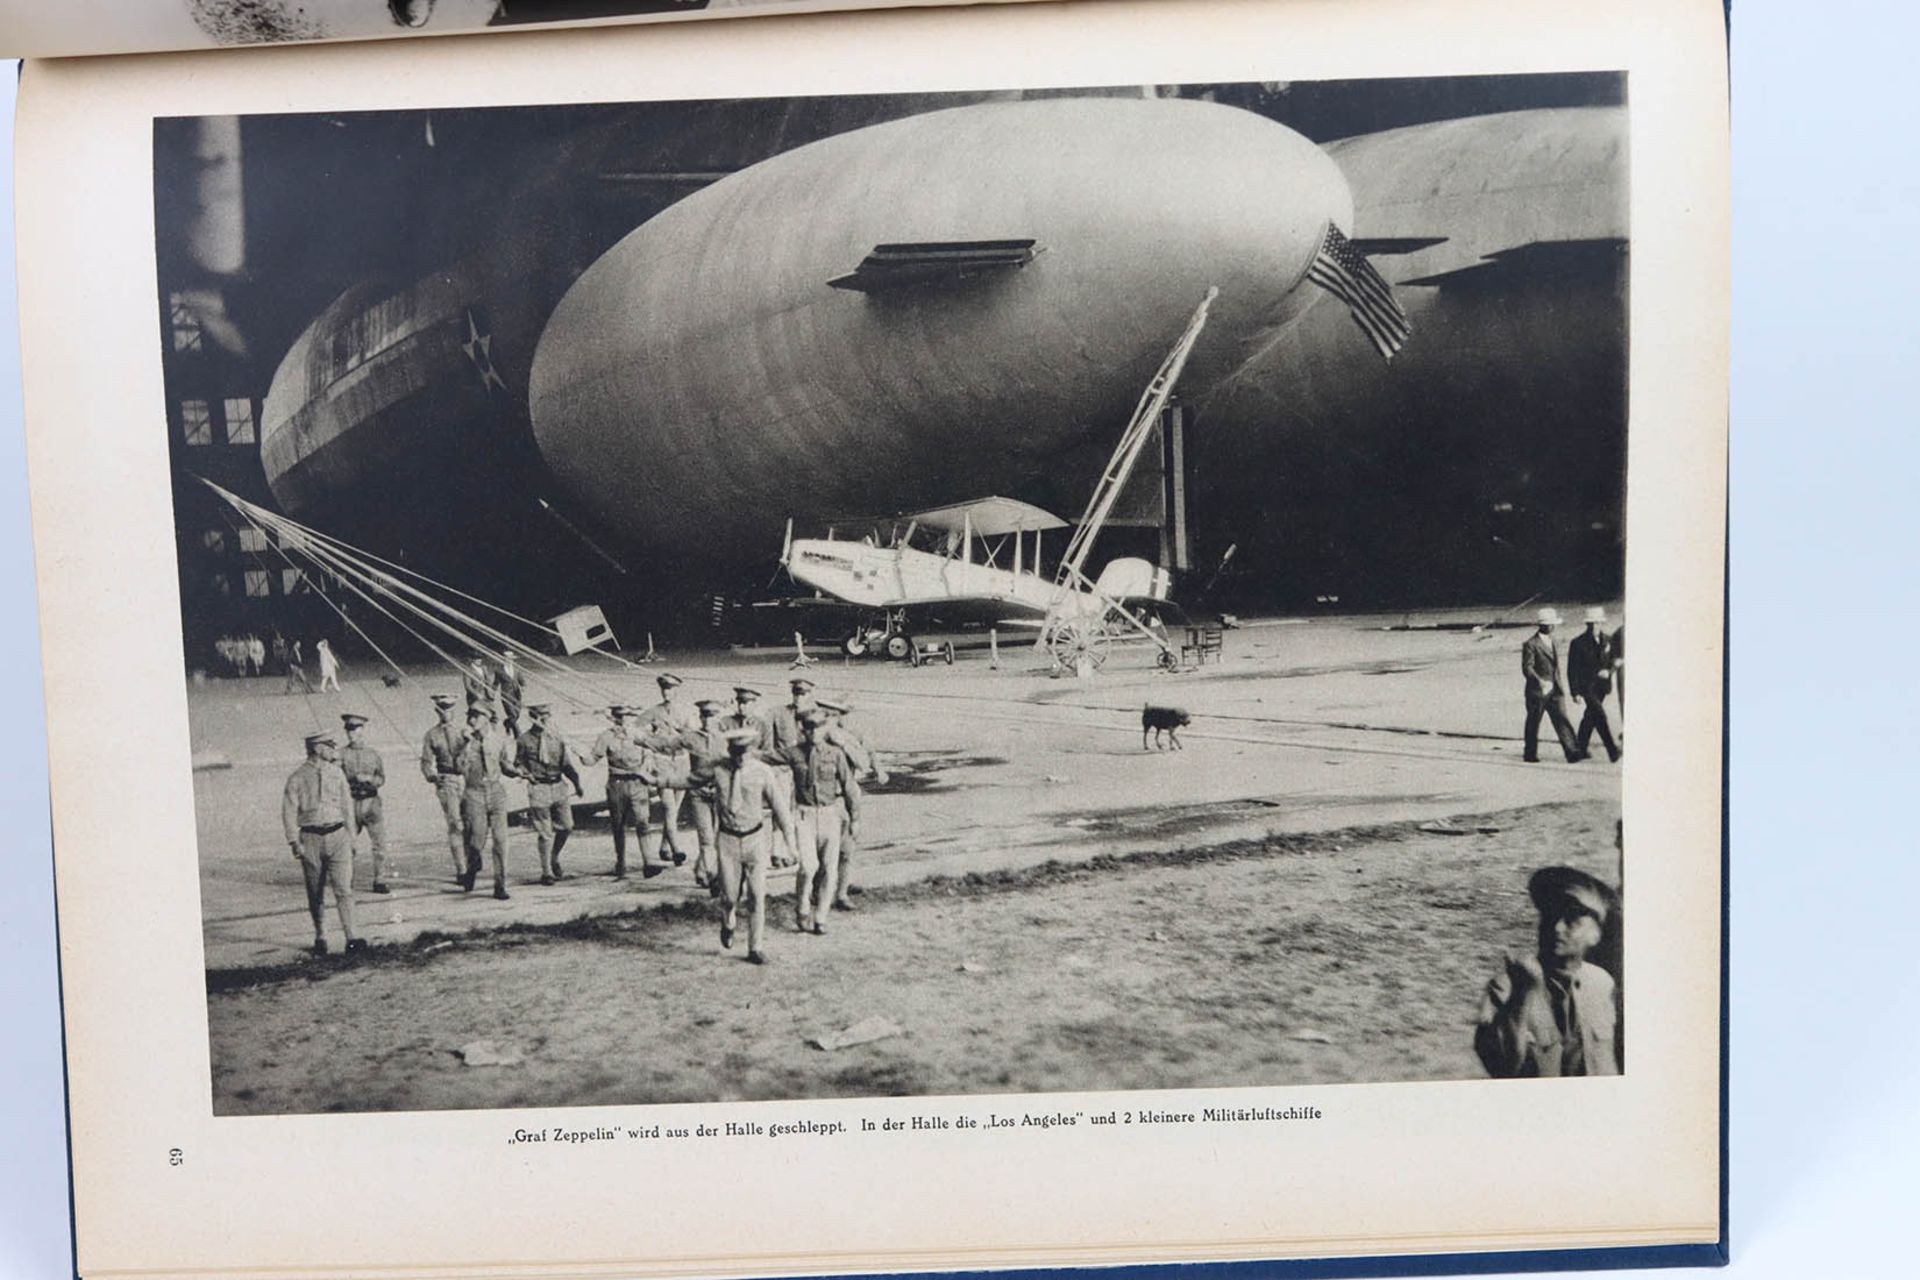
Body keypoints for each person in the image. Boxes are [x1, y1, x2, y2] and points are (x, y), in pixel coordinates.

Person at [1475, 866, 1621, 1077]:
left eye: (1572, 920)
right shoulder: (1507, 986)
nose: (1557, 928)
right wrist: (1523, 994)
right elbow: (1501, 1067)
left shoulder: (1603, 983)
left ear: (1595, 935)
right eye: (1550, 917)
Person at [712, 724, 796, 965]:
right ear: (729, 750)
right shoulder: (718, 770)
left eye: (744, 752)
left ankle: (755, 947)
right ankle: (728, 921)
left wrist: (791, 844)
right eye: (735, 752)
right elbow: (689, 780)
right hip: (727, 841)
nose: (740, 758)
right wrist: (657, 779)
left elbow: (781, 809)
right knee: (729, 897)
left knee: (757, 896)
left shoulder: (763, 772)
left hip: (755, 840)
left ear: (751, 750)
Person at [280, 731, 366, 957]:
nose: (332, 749)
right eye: (329, 745)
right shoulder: (297, 777)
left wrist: (352, 839)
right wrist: (293, 841)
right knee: (315, 892)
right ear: (317, 748)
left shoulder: (337, 773)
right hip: (310, 838)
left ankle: (352, 937)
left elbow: (347, 807)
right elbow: (288, 811)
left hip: (338, 836)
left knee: (344, 889)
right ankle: (321, 936)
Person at [781, 710, 860, 935]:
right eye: (809, 728)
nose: (814, 732)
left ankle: (821, 918)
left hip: (828, 815)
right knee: (807, 867)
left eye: (818, 727)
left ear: (824, 728)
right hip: (804, 816)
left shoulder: (835, 754)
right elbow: (764, 757)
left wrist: (855, 818)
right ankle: (803, 908)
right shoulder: (794, 753)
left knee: (830, 869)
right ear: (803, 730)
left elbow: (849, 788)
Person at [580, 705, 675, 879]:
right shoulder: (606, 737)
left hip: (638, 783)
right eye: (619, 718)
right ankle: (621, 863)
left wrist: (648, 763)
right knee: (618, 825)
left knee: (643, 822)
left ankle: (649, 862)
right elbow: (594, 757)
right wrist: (583, 758)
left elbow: (649, 751)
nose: (623, 721)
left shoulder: (638, 735)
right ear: (613, 718)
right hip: (617, 785)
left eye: (626, 718)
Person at [815, 698, 887, 910]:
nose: (828, 720)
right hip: (821, 801)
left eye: (832, 715)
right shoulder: (813, 739)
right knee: (822, 851)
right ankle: (817, 892)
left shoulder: (846, 738)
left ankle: (842, 894)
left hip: (843, 799)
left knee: (846, 849)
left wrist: (844, 744)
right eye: (825, 715)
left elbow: (864, 762)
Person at [455, 704, 521, 899]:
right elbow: (458, 767)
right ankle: (472, 869)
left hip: (496, 792)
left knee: (501, 841)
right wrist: (465, 746)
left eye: (475, 716)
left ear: (486, 718)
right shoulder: (466, 742)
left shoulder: (498, 741)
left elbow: (505, 765)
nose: (471, 720)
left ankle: (500, 885)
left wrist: (517, 771)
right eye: (470, 716)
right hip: (474, 793)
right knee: (475, 842)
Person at [515, 703, 583, 884]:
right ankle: (546, 872)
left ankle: (554, 856)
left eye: (547, 715)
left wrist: (577, 783)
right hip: (539, 788)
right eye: (541, 715)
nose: (546, 719)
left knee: (567, 826)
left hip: (558, 785)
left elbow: (566, 764)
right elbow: (518, 762)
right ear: (533, 717)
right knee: (545, 833)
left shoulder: (556, 738)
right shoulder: (524, 740)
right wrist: (525, 773)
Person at [635, 673, 695, 866]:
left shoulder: (686, 713)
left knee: (674, 809)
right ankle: (677, 849)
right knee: (669, 806)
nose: (666, 692)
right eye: (664, 689)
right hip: (662, 763)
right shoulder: (653, 712)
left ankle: (664, 847)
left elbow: (693, 738)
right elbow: (636, 732)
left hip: (681, 762)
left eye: (670, 689)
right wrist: (651, 743)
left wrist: (682, 733)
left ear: (677, 691)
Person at [675, 698, 730, 891]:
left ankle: (702, 870)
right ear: (700, 718)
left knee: (720, 837)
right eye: (704, 716)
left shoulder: (727, 739)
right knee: (706, 838)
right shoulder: (692, 738)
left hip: (721, 793)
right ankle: (712, 876)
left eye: (712, 716)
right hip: (699, 794)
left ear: (718, 719)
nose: (708, 721)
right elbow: (667, 744)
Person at [1520, 608, 1584, 763]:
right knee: (1534, 722)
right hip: (1537, 691)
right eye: (1550, 624)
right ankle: (1530, 752)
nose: (1552, 627)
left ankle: (1572, 751)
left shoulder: (1553, 641)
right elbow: (1527, 667)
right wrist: (1539, 681)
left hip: (1555, 688)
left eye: (1553, 624)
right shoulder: (1530, 644)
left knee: (1562, 718)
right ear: (1542, 626)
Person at [418, 693, 468, 881]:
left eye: (450, 709)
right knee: (455, 824)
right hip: (446, 781)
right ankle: (461, 869)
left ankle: (470, 862)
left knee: (471, 822)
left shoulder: (463, 731)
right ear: (437, 711)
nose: (447, 713)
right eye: (443, 709)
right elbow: (425, 762)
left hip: (466, 780)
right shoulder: (432, 735)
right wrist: (431, 776)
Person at [339, 713, 390, 894]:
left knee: (380, 844)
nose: (351, 733)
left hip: (371, 802)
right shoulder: (341, 755)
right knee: (348, 845)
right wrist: (351, 779)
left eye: (354, 729)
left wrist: (369, 779)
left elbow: (381, 778)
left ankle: (380, 879)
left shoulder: (372, 754)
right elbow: (336, 780)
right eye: (348, 730)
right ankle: (347, 880)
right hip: (351, 802)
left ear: (362, 730)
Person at [1567, 606, 1622, 763]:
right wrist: (1575, 692)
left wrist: (1609, 671)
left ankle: (1579, 748)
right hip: (1587, 686)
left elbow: (1614, 660)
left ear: (1601, 623)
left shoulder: (1608, 640)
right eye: (1592, 623)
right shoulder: (1577, 643)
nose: (1595, 626)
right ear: (1587, 624)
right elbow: (1572, 670)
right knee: (1599, 715)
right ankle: (1612, 750)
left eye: (1597, 623)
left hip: (1602, 687)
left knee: (1590, 717)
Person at [494, 648, 525, 734]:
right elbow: (495, 683)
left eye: (511, 659)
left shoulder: (517, 669)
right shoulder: (499, 671)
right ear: (504, 659)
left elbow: (522, 681)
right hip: (506, 695)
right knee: (513, 715)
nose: (509, 661)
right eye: (507, 659)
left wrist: (523, 686)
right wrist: (491, 693)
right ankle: (517, 734)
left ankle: (507, 724)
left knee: (517, 714)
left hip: (517, 695)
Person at [463, 655, 497, 719]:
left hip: (486, 695)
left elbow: (488, 681)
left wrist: (489, 686)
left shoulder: (483, 668)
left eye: (480, 659)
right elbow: (468, 686)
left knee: (492, 715)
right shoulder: (468, 670)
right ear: (472, 660)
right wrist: (476, 694)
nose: (479, 661)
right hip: (475, 697)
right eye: (477, 659)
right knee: (478, 715)